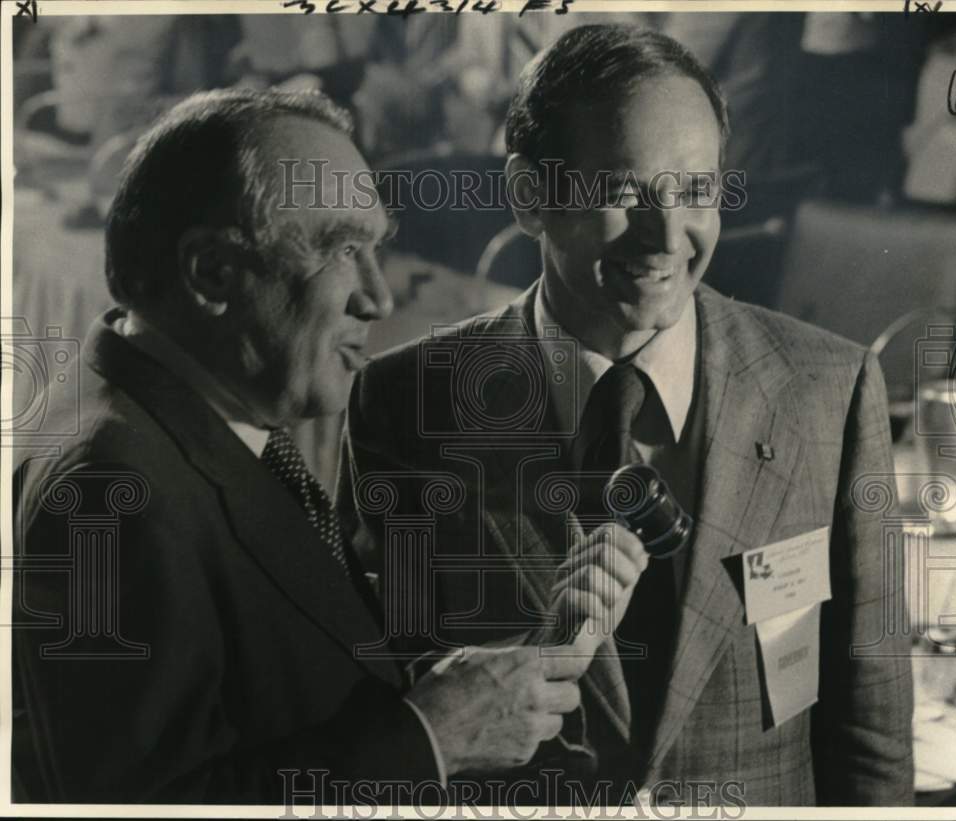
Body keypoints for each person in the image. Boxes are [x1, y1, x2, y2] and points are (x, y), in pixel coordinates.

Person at [345, 24, 914, 806]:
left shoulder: (829, 387)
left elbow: (871, 733)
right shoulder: (405, 402)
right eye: (621, 190)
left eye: (696, 192)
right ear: (528, 195)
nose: (665, 234)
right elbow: (394, 704)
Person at [11, 88, 629, 805]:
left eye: (377, 250)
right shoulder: (111, 490)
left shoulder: (211, 414)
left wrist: (466, 682)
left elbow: (280, 662)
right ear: (212, 273)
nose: (378, 297)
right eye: (342, 249)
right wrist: (433, 735)